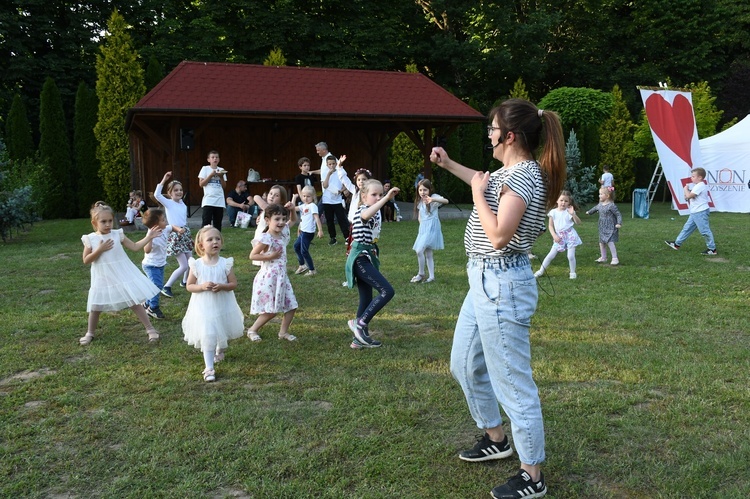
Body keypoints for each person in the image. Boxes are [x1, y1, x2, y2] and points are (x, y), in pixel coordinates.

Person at [430, 99, 566, 499]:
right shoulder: (514, 171)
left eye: (491, 128)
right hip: (484, 284)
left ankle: (532, 476)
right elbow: (486, 181)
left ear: (508, 136)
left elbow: (499, 235)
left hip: (502, 286)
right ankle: (496, 437)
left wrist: (474, 195)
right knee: (463, 364)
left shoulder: (522, 176)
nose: (488, 134)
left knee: (513, 383)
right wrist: (450, 165)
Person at [79, 201, 164, 346]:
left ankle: (150, 329)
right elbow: (86, 260)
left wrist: (149, 237)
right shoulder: (90, 239)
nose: (107, 224)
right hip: (102, 276)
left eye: (110, 221)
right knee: (95, 307)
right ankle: (90, 333)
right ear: (94, 222)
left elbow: (135, 247)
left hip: (121, 274)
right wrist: (99, 250)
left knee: (134, 302)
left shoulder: (118, 234)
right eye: (103, 221)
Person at [182, 226, 245, 382]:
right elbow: (190, 286)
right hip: (203, 306)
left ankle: (220, 348)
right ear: (201, 245)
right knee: (208, 334)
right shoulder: (196, 265)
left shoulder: (225, 264)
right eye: (209, 239)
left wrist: (222, 286)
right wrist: (202, 287)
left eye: (217, 239)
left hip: (222, 304)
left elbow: (233, 284)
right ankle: (209, 367)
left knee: (221, 328)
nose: (214, 242)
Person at [345, 179, 400, 349]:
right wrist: (386, 199)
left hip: (367, 256)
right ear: (363, 196)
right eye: (373, 195)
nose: (378, 198)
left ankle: (359, 339)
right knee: (387, 291)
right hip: (359, 258)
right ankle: (359, 324)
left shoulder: (376, 212)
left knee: (366, 298)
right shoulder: (362, 209)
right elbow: (365, 216)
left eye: (380, 195)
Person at [247, 204, 299, 342]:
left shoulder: (283, 233)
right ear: (268, 220)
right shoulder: (266, 238)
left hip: (282, 276)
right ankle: (252, 329)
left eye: (283, 218)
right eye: (277, 219)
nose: (281, 222)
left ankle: (283, 332)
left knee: (291, 305)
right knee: (271, 310)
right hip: (269, 277)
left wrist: (292, 209)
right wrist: (269, 257)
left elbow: (293, 220)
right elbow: (253, 255)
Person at [154, 172, 194, 297]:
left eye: (181, 190)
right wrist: (164, 180)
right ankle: (167, 287)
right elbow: (157, 195)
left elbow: (183, 220)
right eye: (176, 190)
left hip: (185, 234)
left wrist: (188, 236)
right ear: (170, 193)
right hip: (175, 236)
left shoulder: (182, 204)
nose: (179, 192)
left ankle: (185, 281)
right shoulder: (169, 203)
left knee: (191, 262)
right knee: (184, 265)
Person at [665, 167, 717, 255]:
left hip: (700, 212)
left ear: (700, 177)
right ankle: (677, 244)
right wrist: (688, 193)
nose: (691, 178)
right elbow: (688, 197)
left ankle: (712, 249)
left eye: (693, 176)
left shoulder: (700, 185)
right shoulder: (697, 186)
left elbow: (688, 196)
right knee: (687, 228)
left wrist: (685, 189)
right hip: (695, 212)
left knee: (704, 231)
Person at [534, 190, 583, 279]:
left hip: (570, 235)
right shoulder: (553, 212)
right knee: (550, 255)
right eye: (561, 200)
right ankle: (541, 271)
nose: (563, 203)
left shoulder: (569, 212)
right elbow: (550, 226)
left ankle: (572, 272)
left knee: (570, 256)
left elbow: (578, 223)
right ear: (557, 200)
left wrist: (573, 214)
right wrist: (554, 235)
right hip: (559, 236)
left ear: (569, 203)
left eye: (566, 201)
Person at [410, 179, 447, 283]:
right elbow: (420, 216)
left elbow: (446, 201)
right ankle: (431, 277)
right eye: (420, 190)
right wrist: (421, 224)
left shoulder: (433, 197)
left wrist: (433, 200)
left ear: (430, 190)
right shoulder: (420, 201)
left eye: (425, 190)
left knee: (419, 250)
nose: (422, 192)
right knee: (428, 253)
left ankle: (421, 274)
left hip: (432, 228)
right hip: (423, 229)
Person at [251, 185, 297, 266]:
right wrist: (266, 208)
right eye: (270, 193)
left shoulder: (281, 222)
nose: (272, 196)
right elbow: (256, 197)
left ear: (282, 200)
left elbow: (293, 220)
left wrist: (292, 209)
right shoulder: (267, 210)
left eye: (276, 195)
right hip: (264, 242)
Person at [316, 142, 349, 245]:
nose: (331, 166)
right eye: (329, 164)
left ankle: (347, 237)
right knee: (329, 220)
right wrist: (329, 174)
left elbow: (345, 183)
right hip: (327, 199)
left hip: (337, 199)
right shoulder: (326, 172)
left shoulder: (340, 172)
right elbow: (325, 185)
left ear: (336, 163)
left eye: (333, 164)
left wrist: (342, 190)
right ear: (327, 165)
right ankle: (332, 237)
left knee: (341, 219)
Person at [141, 208, 171, 319]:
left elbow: (171, 227)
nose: (165, 221)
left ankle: (147, 303)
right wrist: (150, 238)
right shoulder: (151, 234)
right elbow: (146, 250)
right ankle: (153, 308)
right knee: (157, 286)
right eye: (163, 220)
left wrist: (179, 229)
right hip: (151, 265)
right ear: (155, 224)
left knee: (154, 285)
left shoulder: (163, 230)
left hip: (160, 264)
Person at [587, 187, 623, 264]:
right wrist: (589, 212)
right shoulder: (600, 204)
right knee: (602, 242)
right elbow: (595, 208)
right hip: (602, 226)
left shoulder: (611, 205)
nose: (599, 196)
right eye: (599, 194)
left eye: (601, 194)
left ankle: (615, 258)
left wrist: (619, 223)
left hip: (611, 227)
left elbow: (618, 214)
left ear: (607, 196)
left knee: (610, 241)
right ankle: (603, 257)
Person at [293, 186, 324, 276]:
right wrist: (294, 198)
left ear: (313, 196)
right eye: (304, 196)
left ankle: (312, 270)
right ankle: (302, 265)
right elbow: (292, 208)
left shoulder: (312, 206)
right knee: (296, 246)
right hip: (303, 232)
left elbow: (317, 218)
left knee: (304, 251)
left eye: (308, 196)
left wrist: (320, 230)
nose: (305, 198)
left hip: (308, 233)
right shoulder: (304, 206)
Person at [198, 150, 227, 231]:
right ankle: (203, 240)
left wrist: (221, 177)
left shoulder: (222, 169)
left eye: (217, 157)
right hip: (208, 200)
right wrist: (210, 175)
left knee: (218, 224)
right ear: (208, 160)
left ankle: (217, 240)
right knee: (206, 223)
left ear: (219, 159)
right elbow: (201, 184)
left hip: (219, 201)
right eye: (213, 157)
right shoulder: (205, 169)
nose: (215, 159)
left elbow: (224, 186)